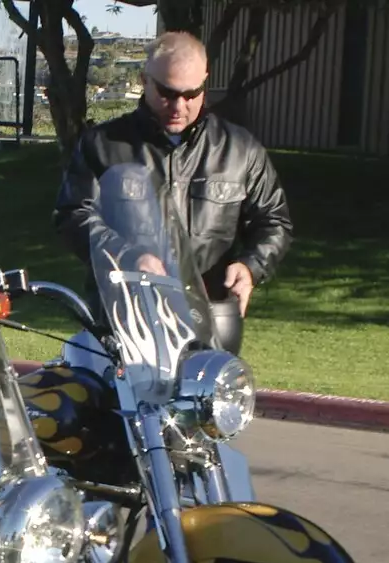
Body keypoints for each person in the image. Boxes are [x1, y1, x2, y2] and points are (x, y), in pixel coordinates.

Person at [55, 31, 292, 353]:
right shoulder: (102, 144)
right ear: (144, 80)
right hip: (123, 322)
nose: (179, 106)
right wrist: (127, 256)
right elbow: (73, 215)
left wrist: (250, 266)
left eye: (192, 93)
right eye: (167, 93)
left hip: (209, 324)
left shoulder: (241, 149)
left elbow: (273, 221)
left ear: (205, 82)